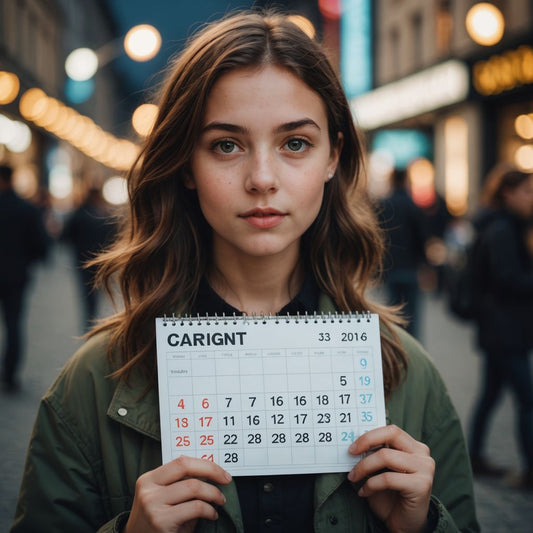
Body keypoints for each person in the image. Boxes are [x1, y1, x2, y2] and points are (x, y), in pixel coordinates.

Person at [11, 11, 478, 533]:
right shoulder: (92, 384)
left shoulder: (410, 376)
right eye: (226, 145)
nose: (261, 179)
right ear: (186, 163)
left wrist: (424, 527)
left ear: (333, 156)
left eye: (295, 143)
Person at [468, 164, 533, 489]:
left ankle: (474, 457)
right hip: (504, 330)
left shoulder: (506, 225)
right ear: (508, 193)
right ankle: (530, 471)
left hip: (502, 329)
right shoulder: (502, 230)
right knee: (528, 399)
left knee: (491, 394)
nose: (531, 198)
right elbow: (507, 279)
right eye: (527, 191)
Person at [0, 164, 49, 392]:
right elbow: (40, 245)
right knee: (13, 324)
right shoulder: (26, 209)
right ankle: (10, 375)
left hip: (14, 274)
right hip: (16, 276)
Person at [377, 168, 428, 338]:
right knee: (411, 314)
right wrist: (424, 263)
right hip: (410, 267)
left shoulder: (384, 205)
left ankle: (395, 343)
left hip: (390, 266)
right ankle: (412, 350)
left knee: (393, 311)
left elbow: (378, 236)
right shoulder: (413, 206)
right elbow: (422, 237)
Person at [62, 186, 117, 332]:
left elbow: (65, 236)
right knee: (99, 290)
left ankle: (90, 321)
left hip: (82, 260)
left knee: (87, 292)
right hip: (102, 258)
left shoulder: (79, 213)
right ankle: (97, 321)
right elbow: (114, 235)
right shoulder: (105, 214)